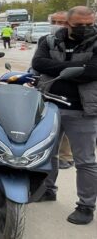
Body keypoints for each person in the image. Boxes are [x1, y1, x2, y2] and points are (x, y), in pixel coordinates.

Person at [33, 6, 97, 225]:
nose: (86, 29)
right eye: (80, 25)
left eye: (90, 24)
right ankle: (47, 190)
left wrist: (58, 69)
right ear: (68, 23)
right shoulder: (49, 40)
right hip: (50, 106)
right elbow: (38, 63)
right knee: (47, 154)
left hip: (83, 110)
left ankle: (86, 206)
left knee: (85, 161)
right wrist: (76, 68)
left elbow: (93, 71)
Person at [49, 11, 74, 169]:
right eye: (54, 21)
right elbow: (38, 63)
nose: (57, 25)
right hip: (51, 87)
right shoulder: (47, 40)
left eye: (61, 22)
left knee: (68, 124)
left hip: (73, 91)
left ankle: (67, 156)